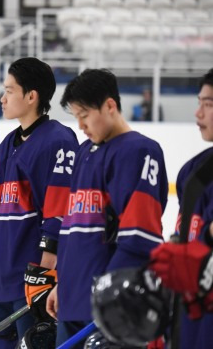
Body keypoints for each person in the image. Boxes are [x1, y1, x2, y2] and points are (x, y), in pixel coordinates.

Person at [46, 69, 168, 347]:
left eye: (85, 115)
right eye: (76, 116)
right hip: (73, 298)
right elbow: (72, 228)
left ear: (110, 106)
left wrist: (111, 297)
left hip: (112, 306)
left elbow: (140, 235)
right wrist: (62, 282)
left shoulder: (140, 151)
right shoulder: (83, 152)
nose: (80, 125)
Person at [0, 58, 78, 348]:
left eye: (10, 91)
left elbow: (60, 208)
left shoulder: (59, 141)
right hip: (1, 276)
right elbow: (0, 212)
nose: (2, 98)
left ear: (31, 96)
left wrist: (46, 269)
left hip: (33, 277)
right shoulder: (6, 145)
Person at [150, 68, 213, 349]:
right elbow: (185, 239)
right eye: (199, 102)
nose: (198, 114)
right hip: (191, 321)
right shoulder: (194, 172)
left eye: (208, 104)